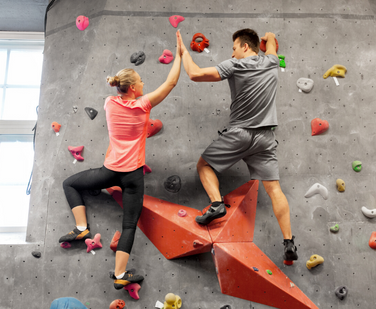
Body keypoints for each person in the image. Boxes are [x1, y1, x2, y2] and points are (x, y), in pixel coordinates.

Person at [59, 32, 182, 289]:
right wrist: (179, 56)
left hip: (109, 172)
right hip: (133, 176)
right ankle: (119, 275)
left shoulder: (108, 103)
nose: (143, 82)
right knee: (128, 225)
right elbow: (170, 84)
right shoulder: (142, 106)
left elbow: (122, 93)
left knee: (70, 183)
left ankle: (81, 227)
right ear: (134, 88)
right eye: (140, 80)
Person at [176, 29, 298, 263]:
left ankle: (216, 204)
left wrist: (183, 52)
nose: (231, 53)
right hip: (265, 139)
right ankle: (288, 241)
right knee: (274, 190)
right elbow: (271, 42)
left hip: (240, 134)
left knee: (204, 165)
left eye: (234, 48)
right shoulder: (272, 62)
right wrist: (269, 37)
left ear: (244, 47)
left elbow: (195, 74)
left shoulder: (235, 66)